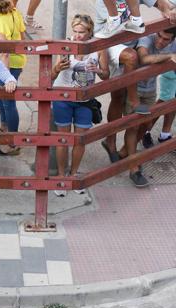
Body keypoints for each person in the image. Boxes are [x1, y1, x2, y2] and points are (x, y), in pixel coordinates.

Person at [94, 0, 176, 167]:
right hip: (111, 42)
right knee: (118, 94)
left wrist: (170, 10)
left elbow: (160, 3)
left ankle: (125, 149)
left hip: (132, 42)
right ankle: (111, 140)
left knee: (135, 110)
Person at [50, 15, 109, 197]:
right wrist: (57, 68)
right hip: (63, 98)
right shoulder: (66, 45)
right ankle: (61, 177)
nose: (77, 36)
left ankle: (74, 175)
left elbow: (106, 75)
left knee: (80, 139)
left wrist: (98, 70)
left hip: (85, 100)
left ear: (89, 31)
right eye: (75, 31)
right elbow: (51, 76)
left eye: (81, 32)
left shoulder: (99, 47)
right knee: (63, 139)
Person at [0, 0, 27, 156]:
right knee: (1, 99)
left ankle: (12, 143)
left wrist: (7, 77)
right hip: (14, 62)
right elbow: (22, 39)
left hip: (6, 66)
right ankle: (4, 130)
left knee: (8, 102)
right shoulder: (15, 13)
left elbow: (5, 52)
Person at [134, 28, 176, 150]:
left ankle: (162, 134)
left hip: (149, 91)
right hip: (135, 90)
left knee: (144, 120)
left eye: (166, 39)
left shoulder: (173, 43)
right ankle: (128, 154)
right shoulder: (148, 38)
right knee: (134, 124)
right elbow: (143, 58)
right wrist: (169, 56)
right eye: (159, 36)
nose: (161, 41)